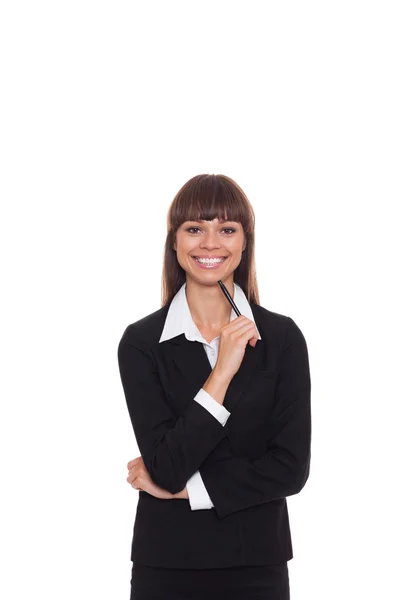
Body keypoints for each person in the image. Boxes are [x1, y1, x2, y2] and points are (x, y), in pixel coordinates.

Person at [117, 173, 312, 600]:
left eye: (226, 229)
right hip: (166, 563)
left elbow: (291, 469)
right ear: (174, 242)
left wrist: (188, 489)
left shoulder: (282, 339)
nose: (210, 243)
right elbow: (166, 467)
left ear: (244, 243)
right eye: (194, 229)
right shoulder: (141, 343)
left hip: (256, 563)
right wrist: (221, 372)